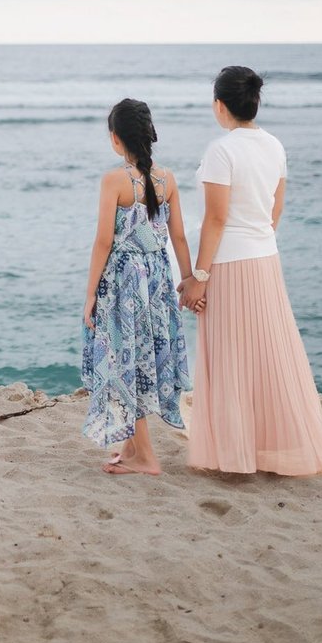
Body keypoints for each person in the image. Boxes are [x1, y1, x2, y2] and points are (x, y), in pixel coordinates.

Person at [180, 65, 322, 476]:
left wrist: (200, 276)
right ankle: (271, 448)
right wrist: (259, 242)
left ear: (219, 105)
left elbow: (215, 219)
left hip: (228, 264)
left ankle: (235, 455)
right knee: (269, 354)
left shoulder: (222, 150)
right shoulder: (274, 145)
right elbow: (274, 211)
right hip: (266, 259)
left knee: (230, 357)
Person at [82, 99, 195, 476]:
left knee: (124, 361)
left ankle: (145, 457)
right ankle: (132, 449)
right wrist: (189, 278)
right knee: (143, 357)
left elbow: (103, 242)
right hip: (158, 278)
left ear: (116, 139)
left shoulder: (114, 180)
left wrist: (90, 294)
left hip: (124, 281)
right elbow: (177, 236)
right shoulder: (168, 179)